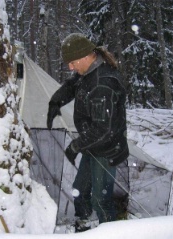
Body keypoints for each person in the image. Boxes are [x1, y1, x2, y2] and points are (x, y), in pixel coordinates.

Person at [47, 33, 129, 232]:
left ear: (86, 56)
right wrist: (56, 101)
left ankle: (111, 233)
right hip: (92, 144)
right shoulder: (89, 73)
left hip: (106, 148)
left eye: (73, 62)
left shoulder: (102, 83)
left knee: (100, 199)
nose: (70, 67)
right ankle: (83, 226)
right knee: (80, 190)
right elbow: (72, 85)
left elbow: (103, 130)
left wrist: (76, 146)